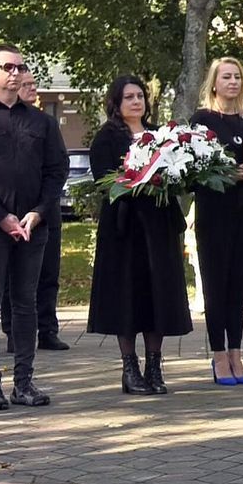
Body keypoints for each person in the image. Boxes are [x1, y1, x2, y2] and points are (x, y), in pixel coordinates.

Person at [0, 44, 69, 411]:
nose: (16, 73)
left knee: (25, 305)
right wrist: (0, 217)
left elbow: (56, 172)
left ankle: (24, 382)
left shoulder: (41, 121)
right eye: (7, 67)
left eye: (20, 67)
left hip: (32, 226)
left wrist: (37, 212)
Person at [87, 75, 192, 395]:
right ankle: (129, 367)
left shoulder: (160, 135)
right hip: (125, 228)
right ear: (116, 104)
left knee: (156, 295)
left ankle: (154, 366)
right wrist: (134, 180)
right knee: (128, 296)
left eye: (140, 96)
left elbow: (176, 171)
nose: (136, 102)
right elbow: (104, 181)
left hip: (158, 226)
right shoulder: (106, 138)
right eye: (129, 97)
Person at [191, 57, 243, 386]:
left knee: (239, 282)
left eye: (237, 76)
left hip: (242, 207)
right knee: (215, 282)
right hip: (213, 209)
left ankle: (237, 352)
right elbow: (195, 171)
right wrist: (233, 173)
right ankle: (218, 355)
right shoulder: (203, 120)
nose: (233, 82)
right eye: (226, 77)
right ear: (214, 83)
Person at [0, 70, 70, 352]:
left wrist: (43, 206)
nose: (30, 89)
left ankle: (48, 329)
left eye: (33, 85)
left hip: (46, 212)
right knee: (11, 277)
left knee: (48, 274)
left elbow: (58, 166)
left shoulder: (47, 124)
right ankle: (13, 333)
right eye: (25, 84)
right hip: (10, 214)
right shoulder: (2, 123)